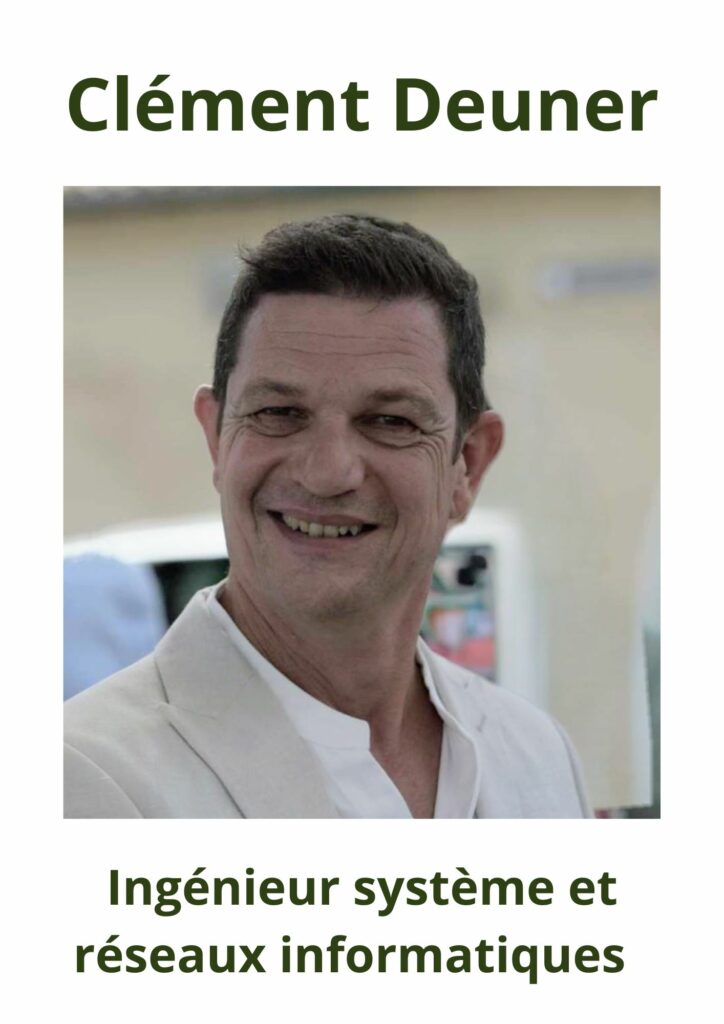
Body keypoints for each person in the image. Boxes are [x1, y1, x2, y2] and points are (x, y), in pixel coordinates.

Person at [64, 214, 591, 818]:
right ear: (216, 438)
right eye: (278, 412)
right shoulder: (82, 779)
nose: (327, 471)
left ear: (466, 466)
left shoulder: (539, 757)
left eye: (390, 421)